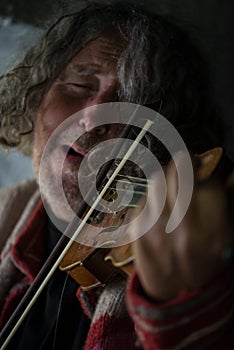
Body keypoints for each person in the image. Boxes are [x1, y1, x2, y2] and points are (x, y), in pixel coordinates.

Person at [0, 2, 233, 349]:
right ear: (35, 98)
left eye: (131, 103)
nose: (94, 118)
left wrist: (178, 308)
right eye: (79, 85)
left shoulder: (183, 252)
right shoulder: (5, 211)